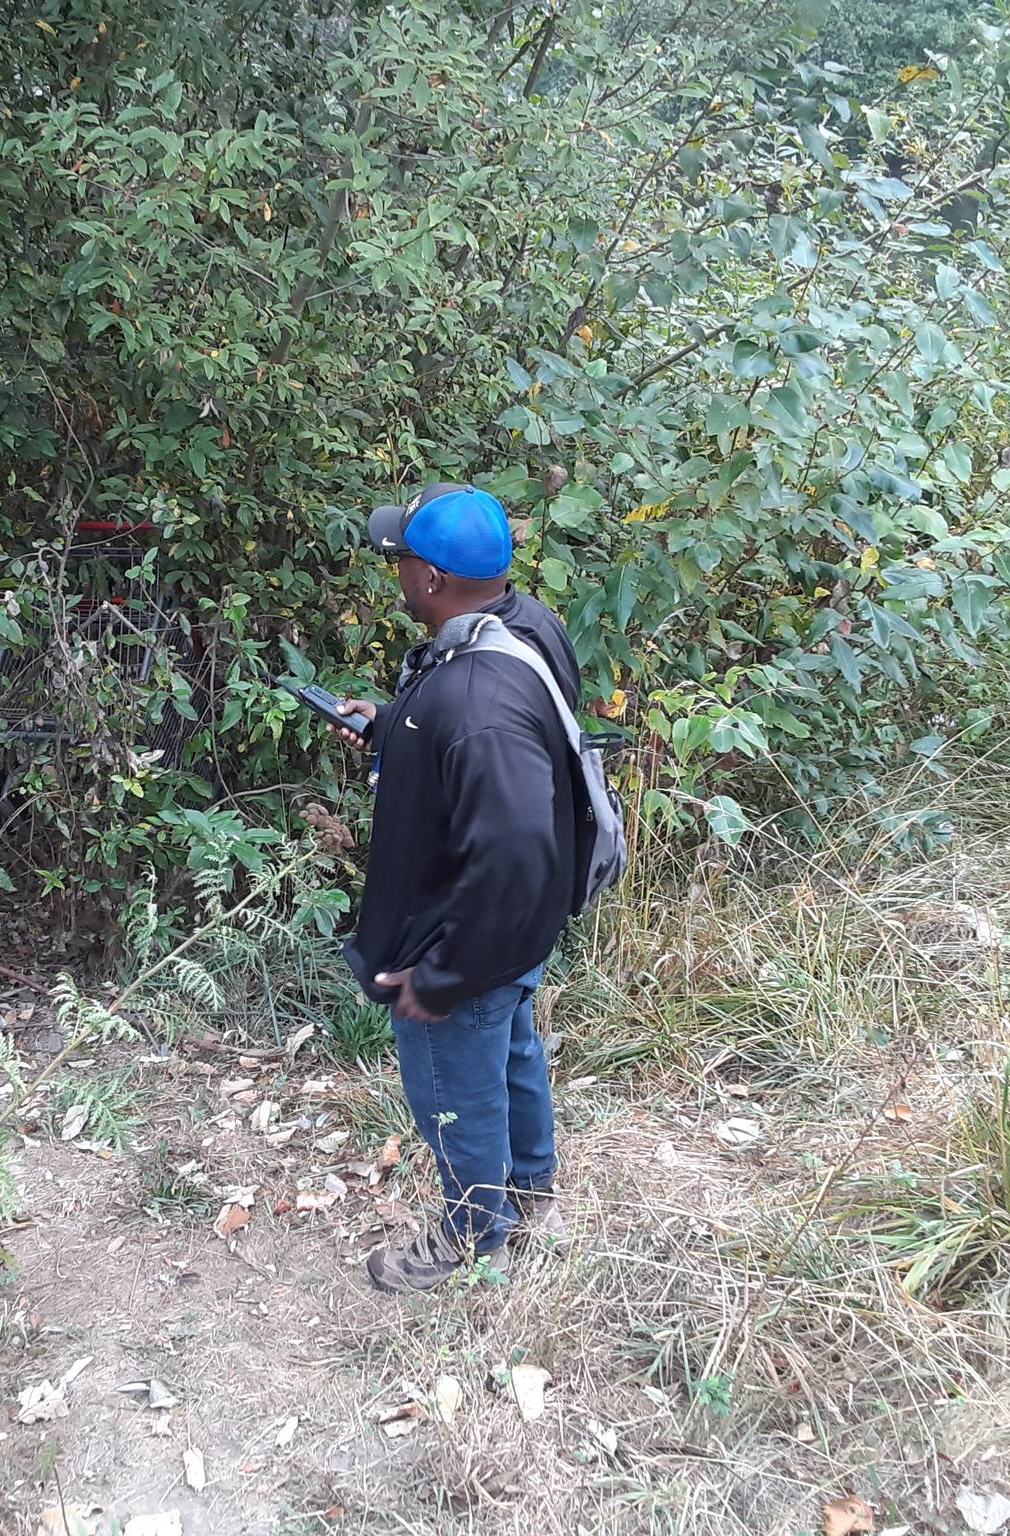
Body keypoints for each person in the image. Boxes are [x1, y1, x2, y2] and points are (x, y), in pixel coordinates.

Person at [333, 482, 582, 1294]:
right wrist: (392, 726)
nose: (396, 572)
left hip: (462, 939)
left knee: (455, 1087)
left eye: (401, 559)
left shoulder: (473, 698)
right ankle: (531, 1188)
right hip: (516, 936)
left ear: (432, 580)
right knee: (511, 1048)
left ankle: (475, 1237)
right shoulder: (520, 626)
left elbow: (511, 842)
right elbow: (496, 756)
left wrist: (441, 974)